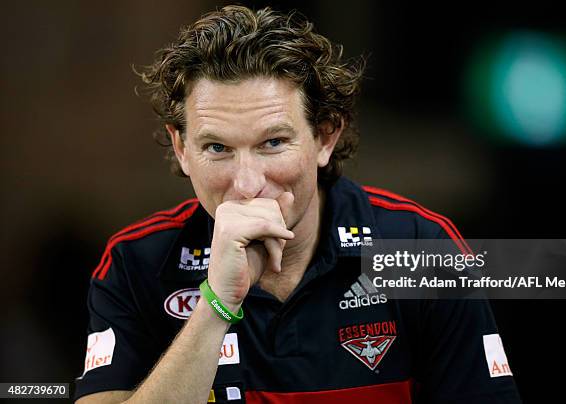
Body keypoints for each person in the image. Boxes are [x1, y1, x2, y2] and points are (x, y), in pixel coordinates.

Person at [74, 5, 521, 403]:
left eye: (272, 142)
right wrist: (216, 306)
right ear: (182, 147)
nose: (247, 185)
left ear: (326, 137)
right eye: (217, 148)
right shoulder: (135, 262)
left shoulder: (420, 244)